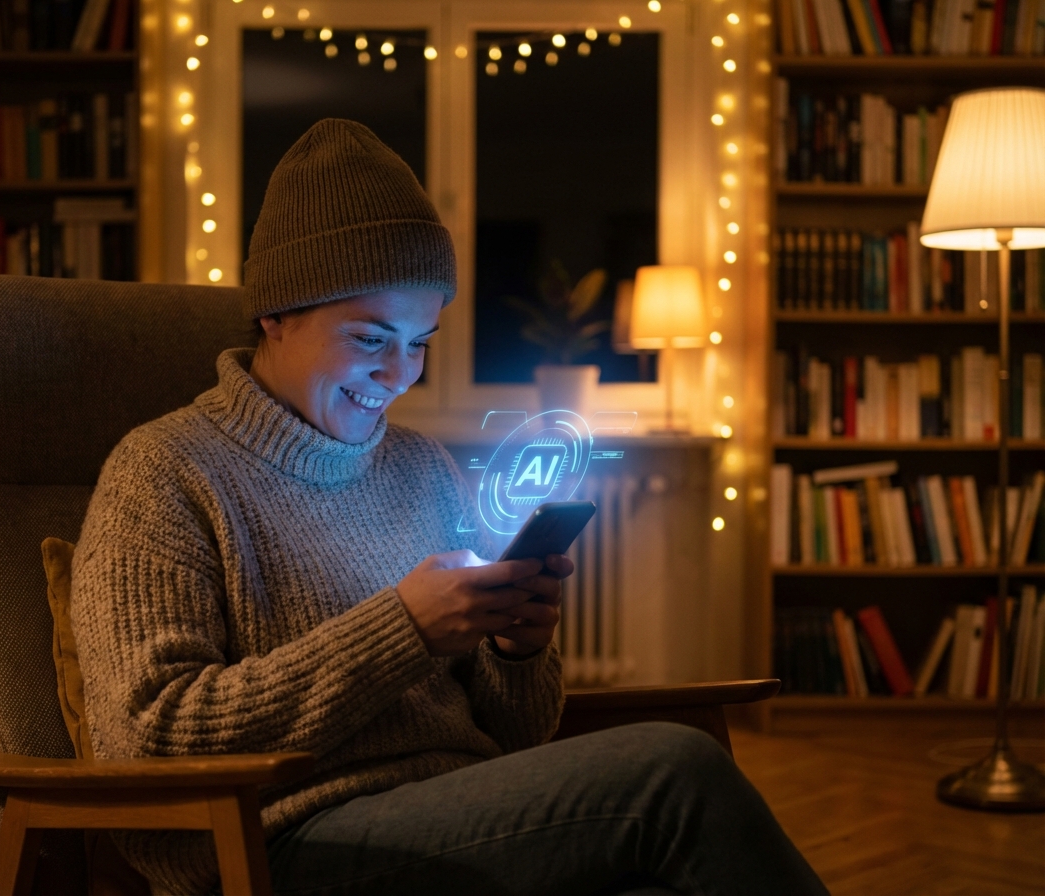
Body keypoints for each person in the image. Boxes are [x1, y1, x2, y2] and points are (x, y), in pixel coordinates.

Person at [70, 118, 827, 896]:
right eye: (370, 339)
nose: (402, 375)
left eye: (421, 340)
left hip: (459, 818)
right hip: (279, 842)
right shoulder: (165, 473)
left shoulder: (422, 469)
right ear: (277, 314)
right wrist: (401, 630)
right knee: (675, 769)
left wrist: (518, 650)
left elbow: (515, 735)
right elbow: (150, 738)